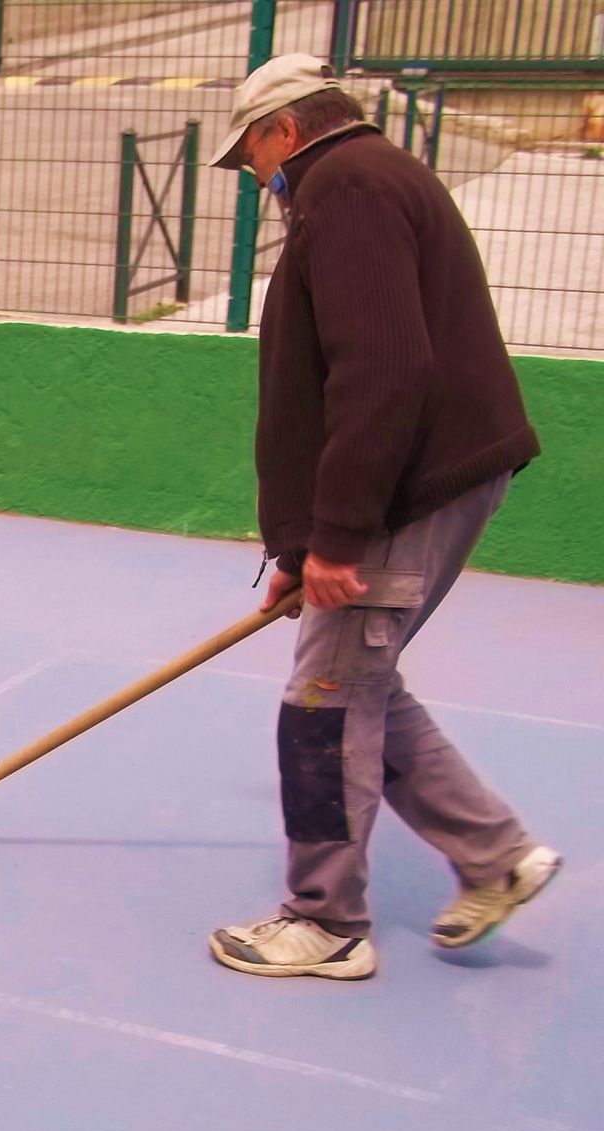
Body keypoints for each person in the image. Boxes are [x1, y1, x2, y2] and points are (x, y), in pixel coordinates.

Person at [201, 53, 561, 980]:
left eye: (250, 155)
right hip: (411, 487)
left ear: (284, 129)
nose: (253, 176)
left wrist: (340, 536)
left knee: (323, 704)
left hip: (408, 490)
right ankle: (496, 855)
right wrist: (299, 546)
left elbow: (384, 371)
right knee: (363, 678)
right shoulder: (365, 182)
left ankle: (325, 925)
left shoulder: (351, 189)